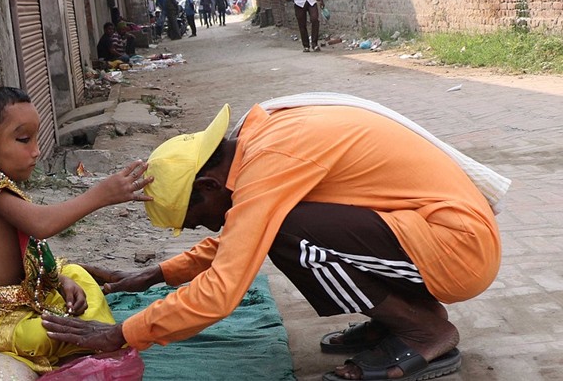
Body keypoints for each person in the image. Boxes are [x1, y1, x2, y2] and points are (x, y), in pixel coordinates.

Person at [42, 92, 507, 381]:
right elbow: (241, 233)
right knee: (282, 226)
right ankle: (399, 319)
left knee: (287, 231)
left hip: (458, 251)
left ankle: (424, 331)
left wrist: (121, 334)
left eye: (198, 219)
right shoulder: (258, 141)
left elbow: (222, 291)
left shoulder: (268, 166)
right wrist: (156, 274)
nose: (208, 227)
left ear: (208, 186)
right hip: (432, 233)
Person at [0, 85, 152, 373]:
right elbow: (41, 225)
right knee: (41, 335)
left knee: (78, 277)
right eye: (23, 140)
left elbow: (30, 253)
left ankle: (87, 343)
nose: (36, 150)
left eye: (36, 137)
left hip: (29, 298)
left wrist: (61, 282)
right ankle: (85, 349)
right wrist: (101, 195)